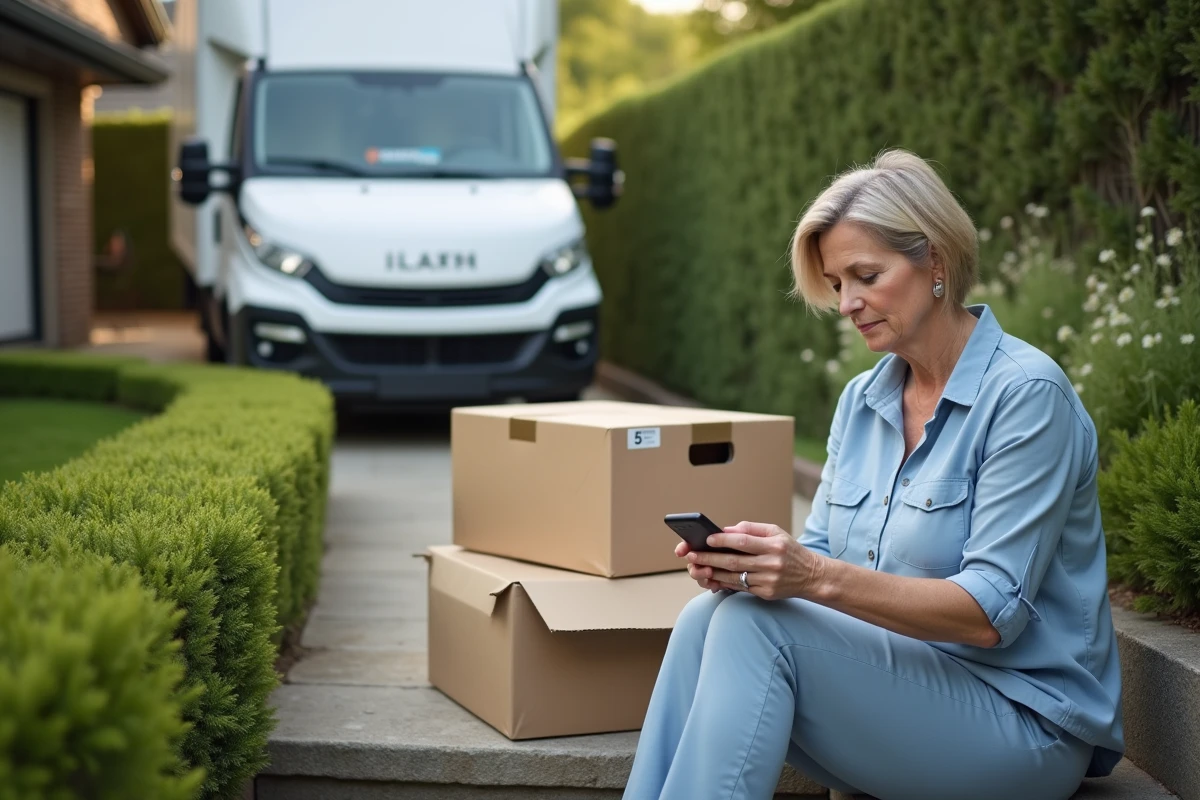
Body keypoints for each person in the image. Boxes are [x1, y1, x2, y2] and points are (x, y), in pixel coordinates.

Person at [623, 149, 1125, 800]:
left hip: (1023, 722)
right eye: (836, 284)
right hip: (896, 689)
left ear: (935, 261)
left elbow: (989, 615)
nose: (847, 303)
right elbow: (824, 555)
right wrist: (752, 568)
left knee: (754, 627)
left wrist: (811, 576)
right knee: (708, 616)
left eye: (865, 275)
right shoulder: (863, 401)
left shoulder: (1027, 396)